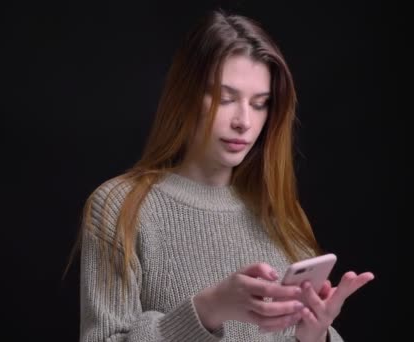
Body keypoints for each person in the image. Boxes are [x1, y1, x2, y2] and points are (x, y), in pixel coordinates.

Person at [68, 9, 374, 342]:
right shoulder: (121, 207)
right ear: (185, 97)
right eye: (226, 98)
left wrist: (313, 337)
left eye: (260, 103)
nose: (244, 120)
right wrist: (207, 310)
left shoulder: (281, 215)